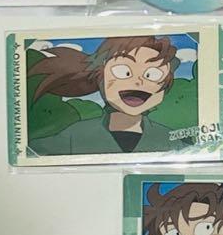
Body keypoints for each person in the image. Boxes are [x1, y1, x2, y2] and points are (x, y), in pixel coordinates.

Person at [28, 35, 182, 156]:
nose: (138, 82)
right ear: (100, 76)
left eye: (152, 74)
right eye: (123, 71)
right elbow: (29, 151)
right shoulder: (74, 135)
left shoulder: (173, 141)